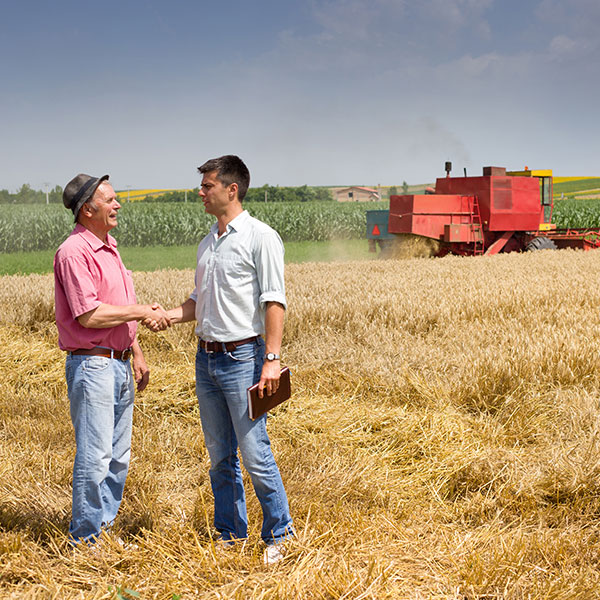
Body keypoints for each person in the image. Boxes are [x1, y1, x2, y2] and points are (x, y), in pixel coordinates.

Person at [166, 155, 293, 564]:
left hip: (243, 358)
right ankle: (230, 533)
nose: (200, 193)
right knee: (220, 454)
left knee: (255, 451)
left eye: (208, 186)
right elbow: (198, 301)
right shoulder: (207, 242)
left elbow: (274, 301)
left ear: (231, 190)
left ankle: (280, 533)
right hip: (205, 360)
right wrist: (170, 315)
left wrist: (271, 360)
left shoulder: (261, 237)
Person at [54, 173, 171, 545]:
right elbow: (89, 315)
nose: (118, 205)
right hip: (93, 365)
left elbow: (116, 305)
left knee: (118, 457)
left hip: (117, 362)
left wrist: (135, 351)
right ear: (88, 209)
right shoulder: (74, 252)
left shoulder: (109, 246)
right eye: (110, 200)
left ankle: (101, 527)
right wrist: (140, 311)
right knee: (96, 456)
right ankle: (85, 538)